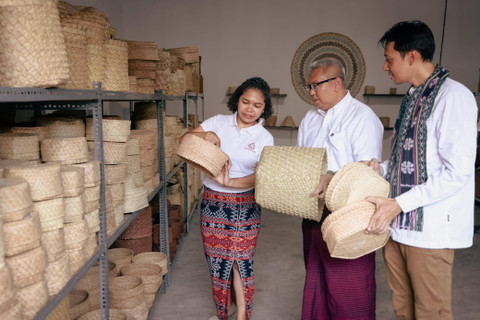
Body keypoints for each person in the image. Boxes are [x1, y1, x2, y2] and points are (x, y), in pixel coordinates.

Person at [364, 20, 478, 320]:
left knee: (432, 314)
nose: (386, 67)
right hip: (398, 225)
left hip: (430, 230)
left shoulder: (454, 97)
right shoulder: (413, 96)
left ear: (411, 56)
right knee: (402, 310)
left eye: (390, 59)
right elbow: (408, 159)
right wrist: (381, 167)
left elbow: (457, 172)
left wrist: (397, 204)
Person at [297, 57, 384, 319]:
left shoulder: (362, 117)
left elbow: (367, 175)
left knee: (350, 291)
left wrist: (331, 177)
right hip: (313, 212)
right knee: (317, 283)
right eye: (308, 86)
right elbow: (302, 162)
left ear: (337, 82)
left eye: (315, 86)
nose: (311, 92)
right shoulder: (309, 119)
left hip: (349, 217)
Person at [181, 77, 274, 320]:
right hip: (212, 203)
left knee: (239, 261)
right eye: (245, 102)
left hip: (245, 205)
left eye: (257, 105)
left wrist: (230, 182)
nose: (249, 109)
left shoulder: (264, 137)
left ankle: (242, 315)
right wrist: (207, 135)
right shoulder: (218, 122)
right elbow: (184, 142)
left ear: (265, 108)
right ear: (237, 100)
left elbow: (259, 176)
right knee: (217, 261)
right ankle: (224, 310)